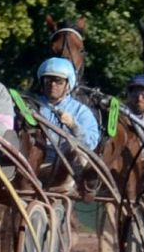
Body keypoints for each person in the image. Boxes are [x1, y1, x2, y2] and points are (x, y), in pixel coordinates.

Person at [33, 56, 100, 191]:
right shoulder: (32, 105)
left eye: (58, 81)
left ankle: (67, 185)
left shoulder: (81, 111)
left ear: (68, 84)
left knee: (74, 148)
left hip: (66, 165)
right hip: (34, 161)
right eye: (48, 80)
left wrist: (73, 126)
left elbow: (92, 142)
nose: (52, 85)